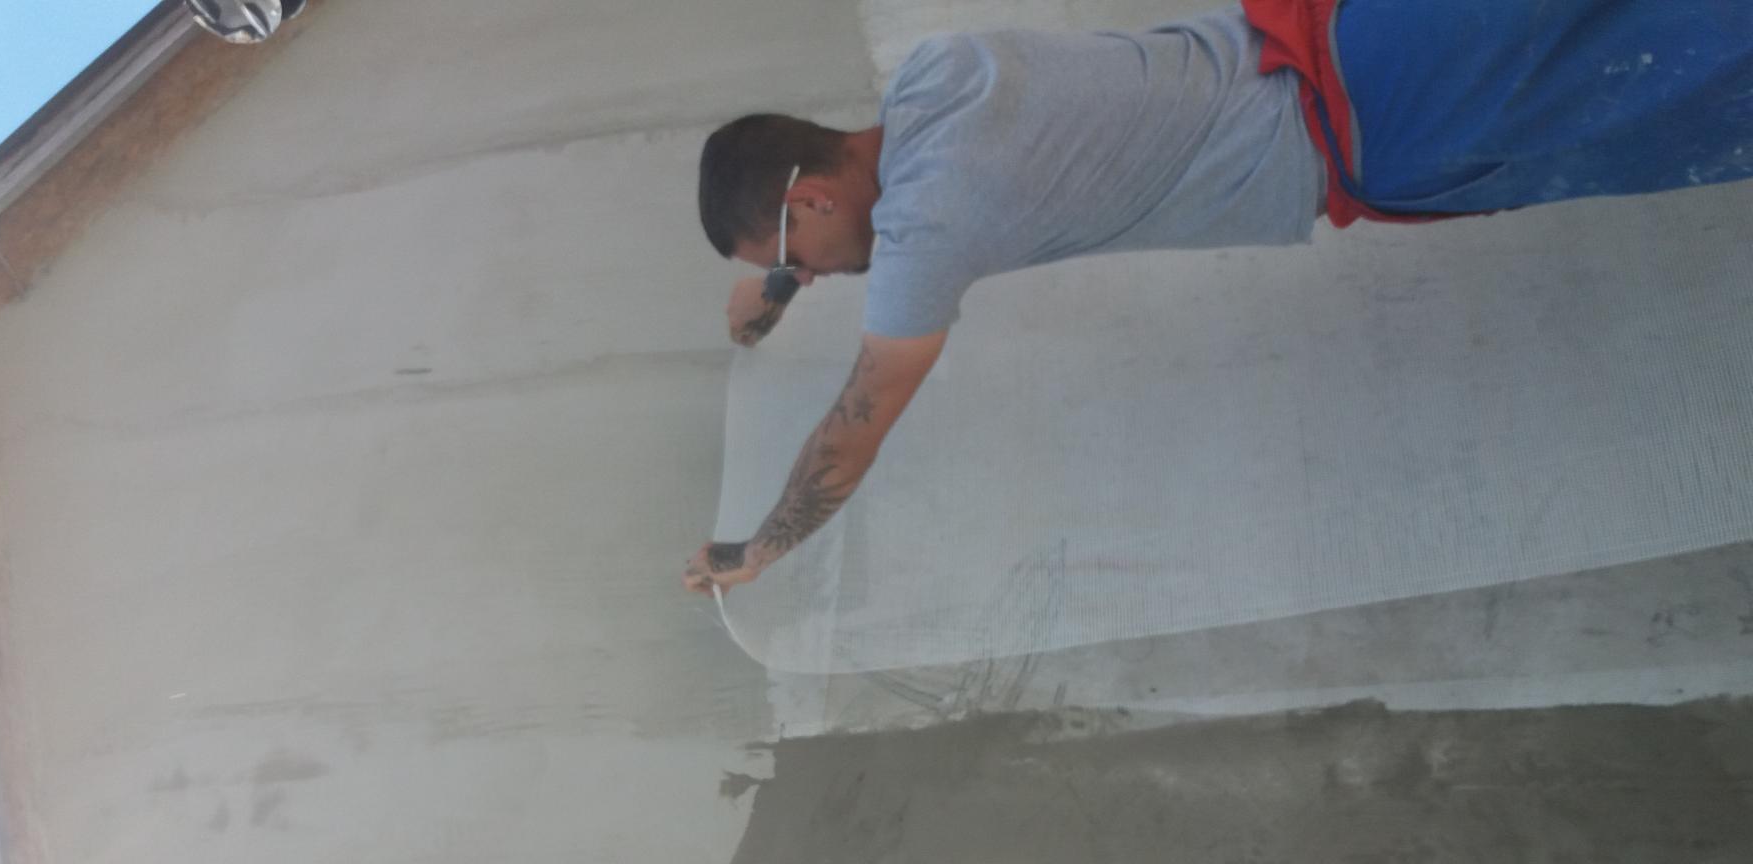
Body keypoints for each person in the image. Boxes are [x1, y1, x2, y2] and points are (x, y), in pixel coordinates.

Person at [683, 0, 1753, 595]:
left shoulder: (932, 225)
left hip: (1396, 121)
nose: (809, 274)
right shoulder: (937, 73)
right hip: (1354, 27)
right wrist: (776, 286)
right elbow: (848, 216)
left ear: (811, 198)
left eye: (796, 254)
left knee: (1691, 83)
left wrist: (756, 548)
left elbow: (856, 427)